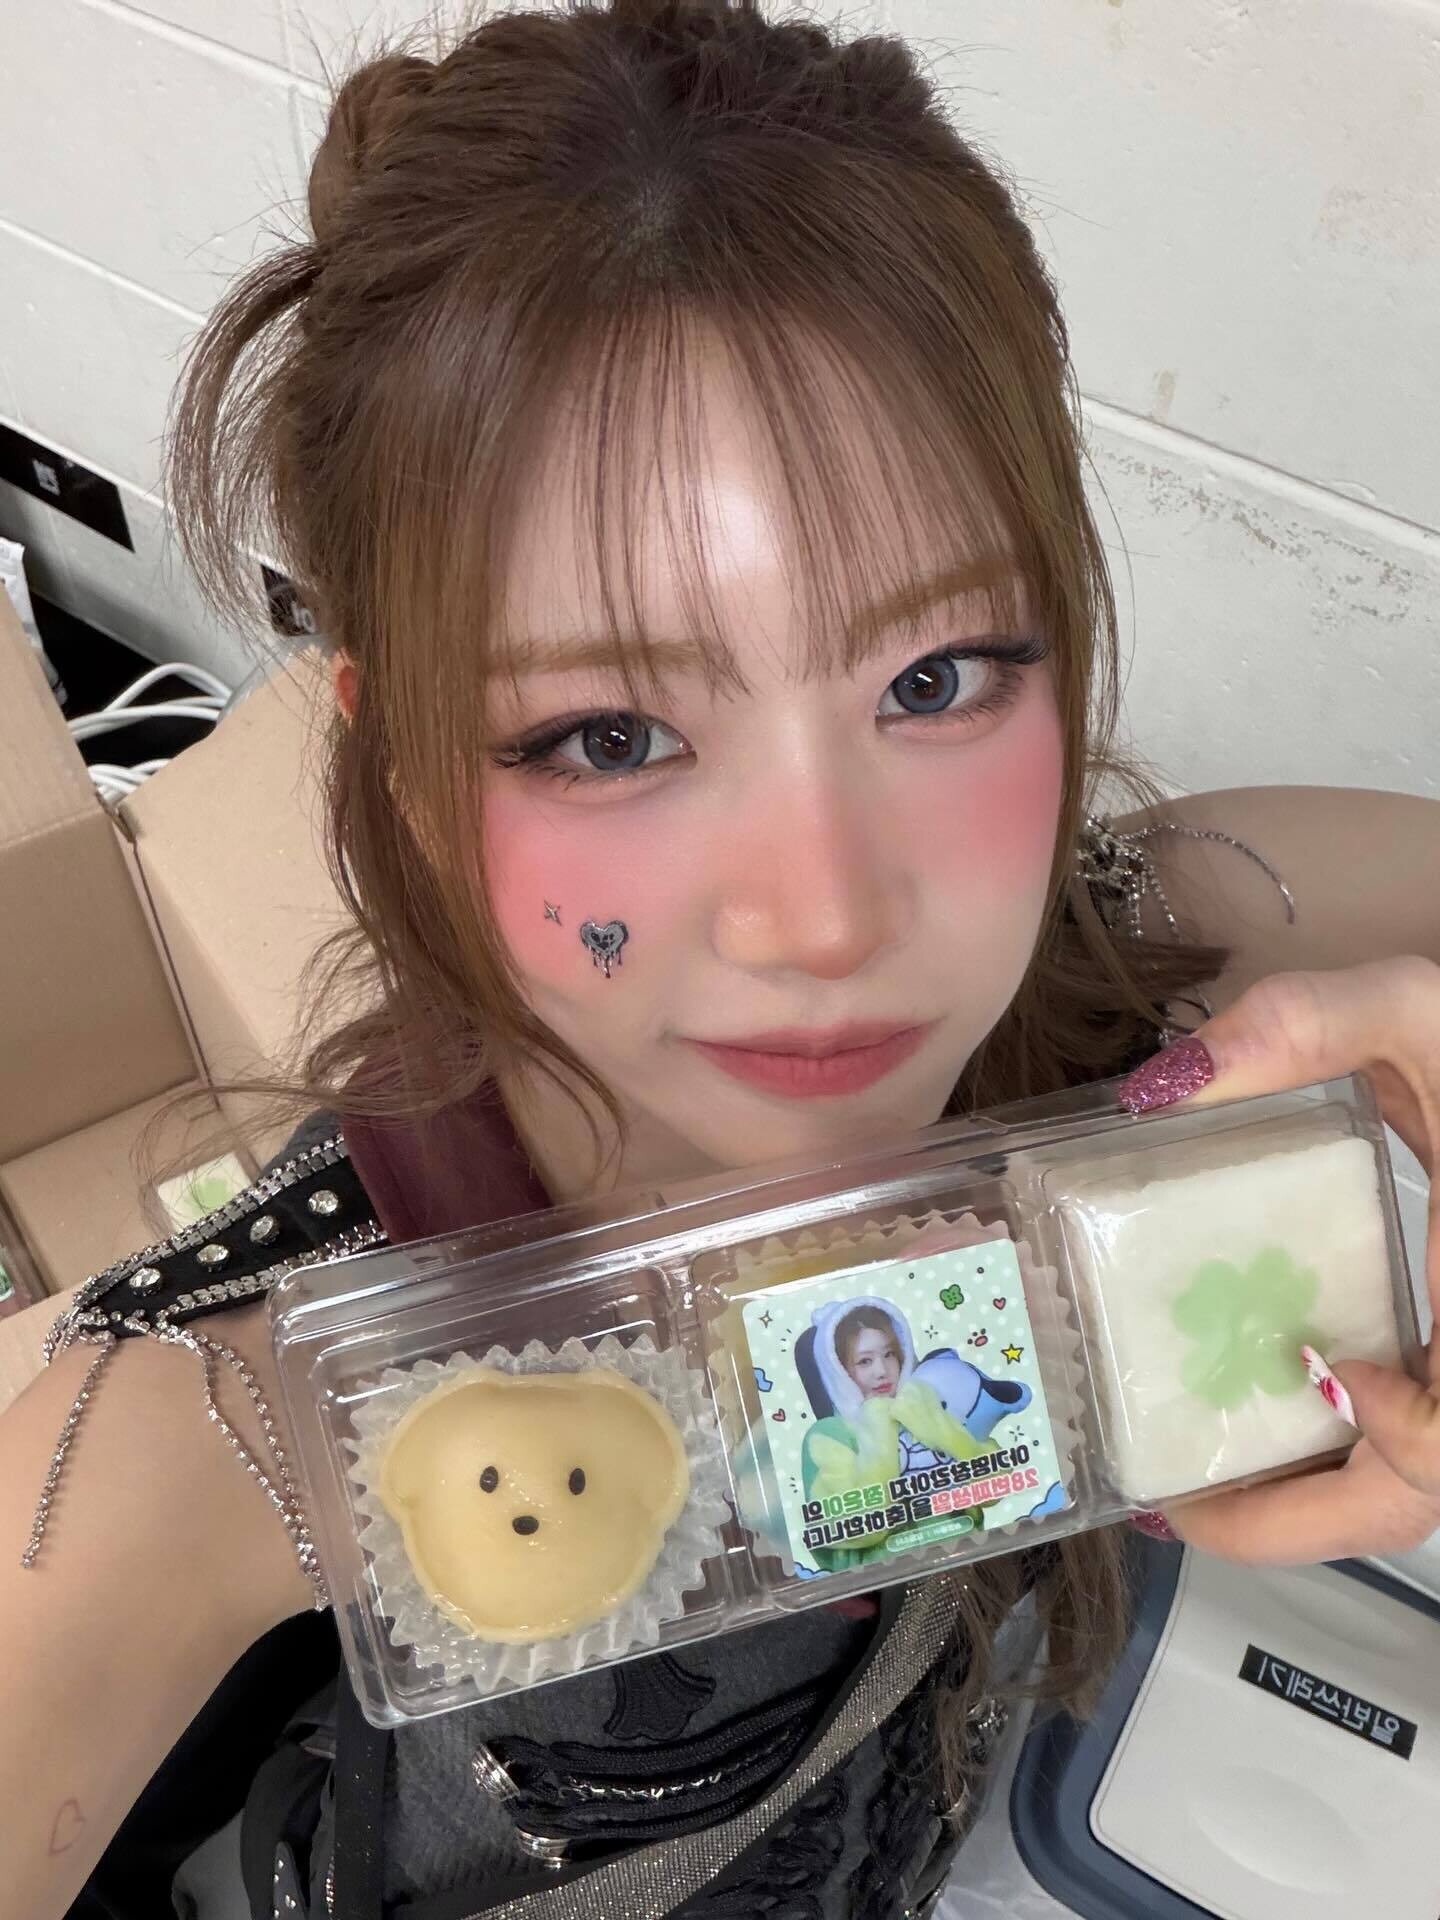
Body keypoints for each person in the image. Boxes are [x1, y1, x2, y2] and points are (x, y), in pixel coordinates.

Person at [3, 2, 1438, 1915]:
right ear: (403, 767)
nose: (827, 919)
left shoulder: (1151, 958)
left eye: (936, 679)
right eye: (610, 736)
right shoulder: (242, 1427)